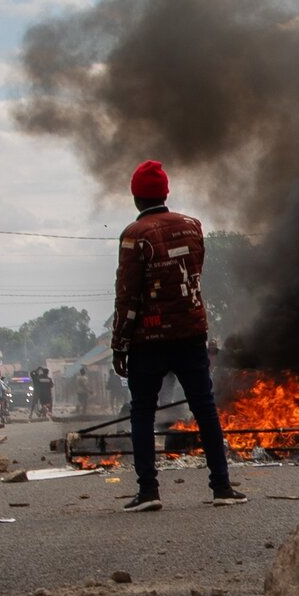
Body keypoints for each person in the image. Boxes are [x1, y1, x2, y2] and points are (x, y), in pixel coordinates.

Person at [112, 160, 246, 511]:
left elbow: (128, 296)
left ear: (136, 197)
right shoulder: (192, 227)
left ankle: (148, 491)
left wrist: (119, 344)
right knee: (205, 408)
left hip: (148, 340)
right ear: (165, 193)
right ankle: (221, 487)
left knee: (142, 411)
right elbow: (194, 274)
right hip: (190, 333)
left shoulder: (133, 236)